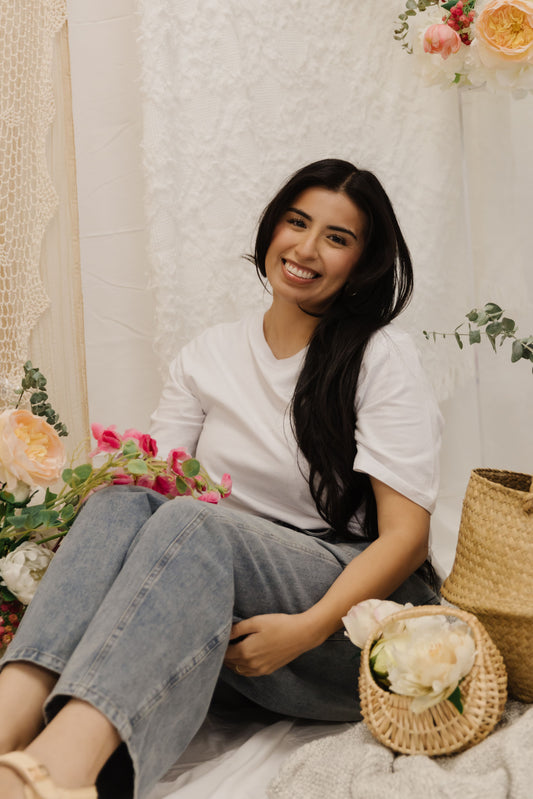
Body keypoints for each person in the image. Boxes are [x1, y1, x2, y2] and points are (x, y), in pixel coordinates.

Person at [0, 159, 442, 799]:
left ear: (360, 264)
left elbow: (406, 539)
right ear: (272, 227)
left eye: (337, 238)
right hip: (219, 604)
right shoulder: (206, 356)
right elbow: (157, 490)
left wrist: (309, 627)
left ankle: (66, 771)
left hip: (349, 623)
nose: (307, 248)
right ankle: (14, 716)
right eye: (297, 222)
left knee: (190, 520)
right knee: (125, 497)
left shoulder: (380, 357)